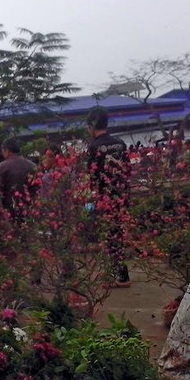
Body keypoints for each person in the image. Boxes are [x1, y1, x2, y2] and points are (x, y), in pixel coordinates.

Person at [85, 107, 131, 286]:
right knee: (117, 233)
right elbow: (127, 170)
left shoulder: (94, 146)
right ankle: (119, 273)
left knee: (112, 235)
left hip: (106, 197)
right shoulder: (120, 143)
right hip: (123, 195)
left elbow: (93, 175)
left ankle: (120, 275)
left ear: (91, 126)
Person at [0, 137, 37, 218]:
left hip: (10, 212)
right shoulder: (32, 166)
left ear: (7, 150)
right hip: (31, 211)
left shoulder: (2, 167)